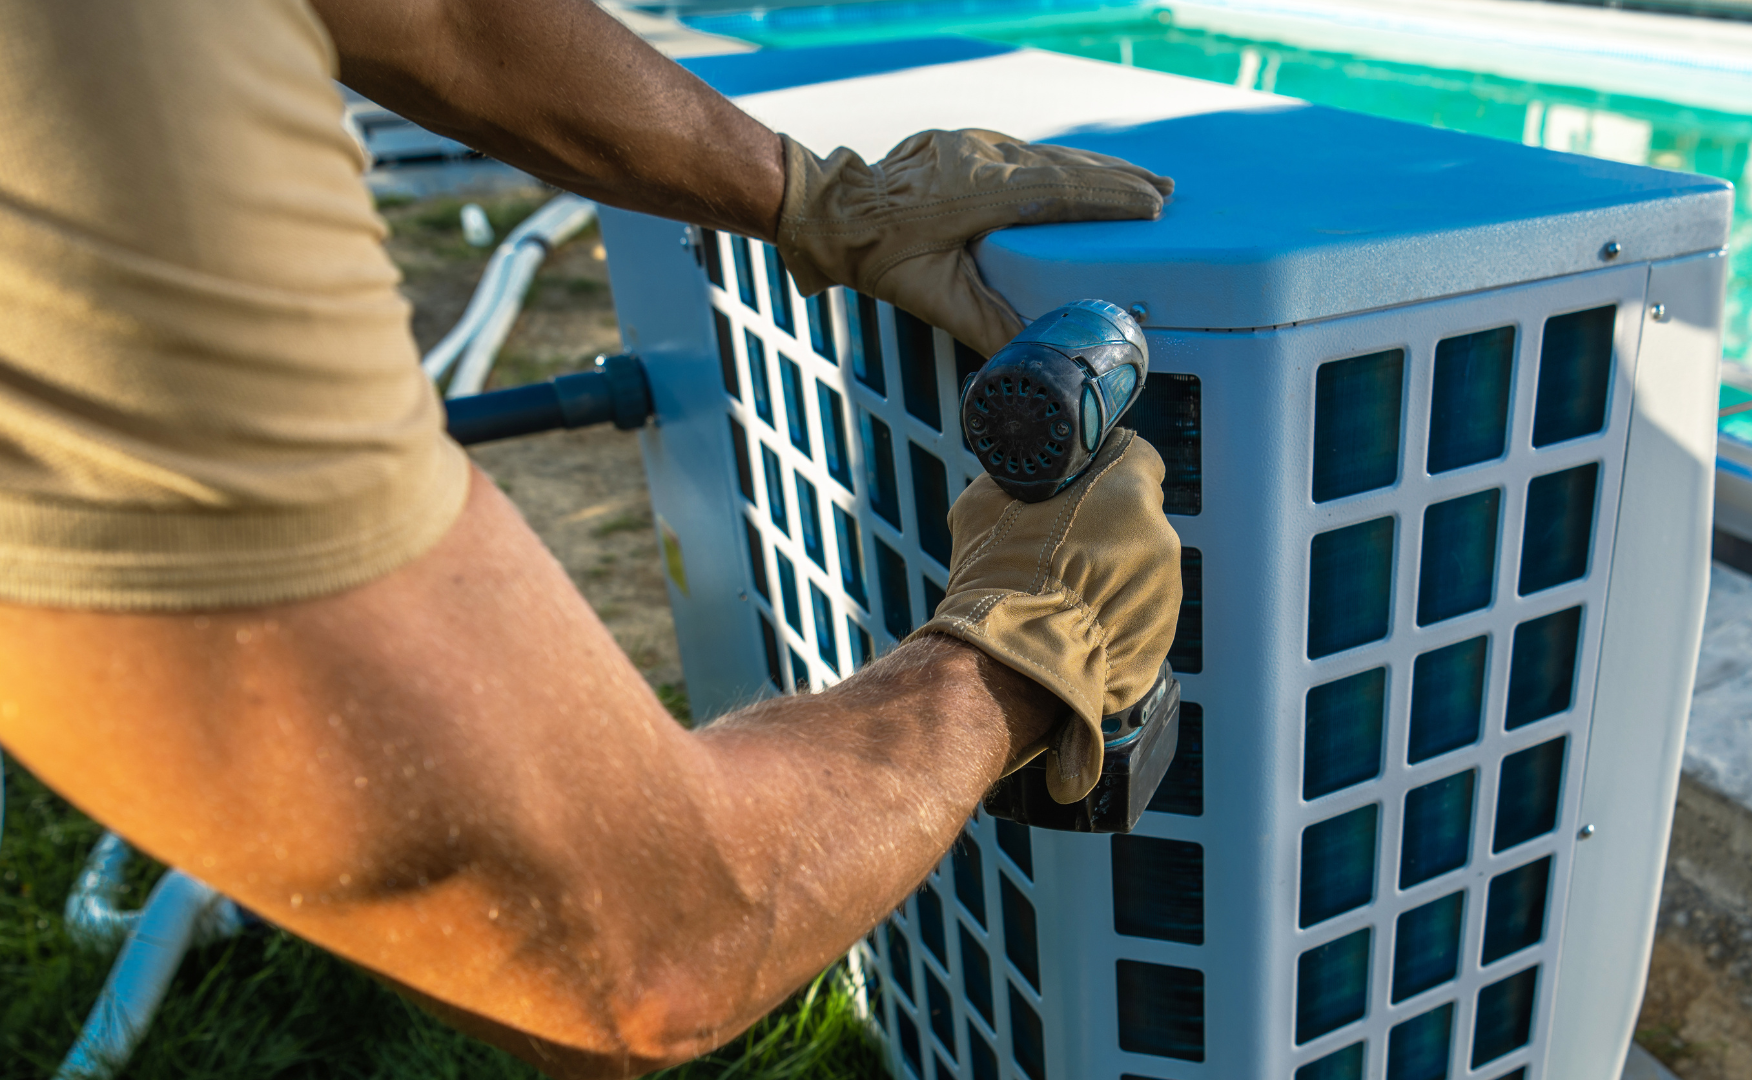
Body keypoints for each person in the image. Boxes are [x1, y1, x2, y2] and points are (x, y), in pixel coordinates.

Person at [0, 0, 1183, 1075]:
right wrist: (1029, 646)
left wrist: (823, 198)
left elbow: (449, 21)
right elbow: (634, 952)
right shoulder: (94, 104)